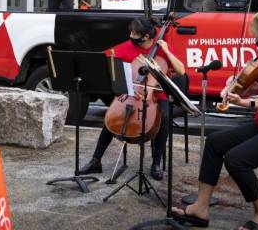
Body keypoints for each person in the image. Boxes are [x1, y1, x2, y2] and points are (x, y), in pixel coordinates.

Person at [171, 8, 258, 230]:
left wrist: (243, 102)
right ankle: (201, 207)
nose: (255, 39)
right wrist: (244, 89)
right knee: (215, 143)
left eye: (256, 34)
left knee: (237, 159)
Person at [79, 17, 188, 181]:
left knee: (164, 117)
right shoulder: (128, 46)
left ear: (145, 37)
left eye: (134, 33)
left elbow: (181, 71)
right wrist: (124, 85)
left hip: (157, 94)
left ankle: (156, 163)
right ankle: (96, 160)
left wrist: (166, 51)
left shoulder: (160, 47)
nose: (131, 35)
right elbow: (106, 60)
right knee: (112, 117)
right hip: (130, 93)